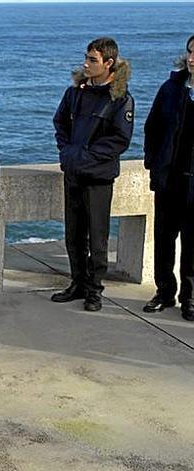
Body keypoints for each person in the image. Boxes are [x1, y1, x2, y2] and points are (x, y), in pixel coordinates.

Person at [52, 37, 134, 312]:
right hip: (73, 173)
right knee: (73, 235)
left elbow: (119, 140)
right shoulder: (75, 93)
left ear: (108, 63)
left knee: (97, 238)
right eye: (86, 58)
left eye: (92, 60)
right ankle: (77, 283)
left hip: (98, 178)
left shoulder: (120, 99)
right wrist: (67, 152)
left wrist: (84, 156)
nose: (86, 64)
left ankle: (94, 290)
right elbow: (60, 122)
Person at [143, 34, 194, 320]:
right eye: (189, 52)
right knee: (164, 239)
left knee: (192, 245)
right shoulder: (171, 89)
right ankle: (164, 292)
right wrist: (153, 163)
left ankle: (190, 298)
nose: (191, 58)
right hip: (169, 180)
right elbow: (152, 128)